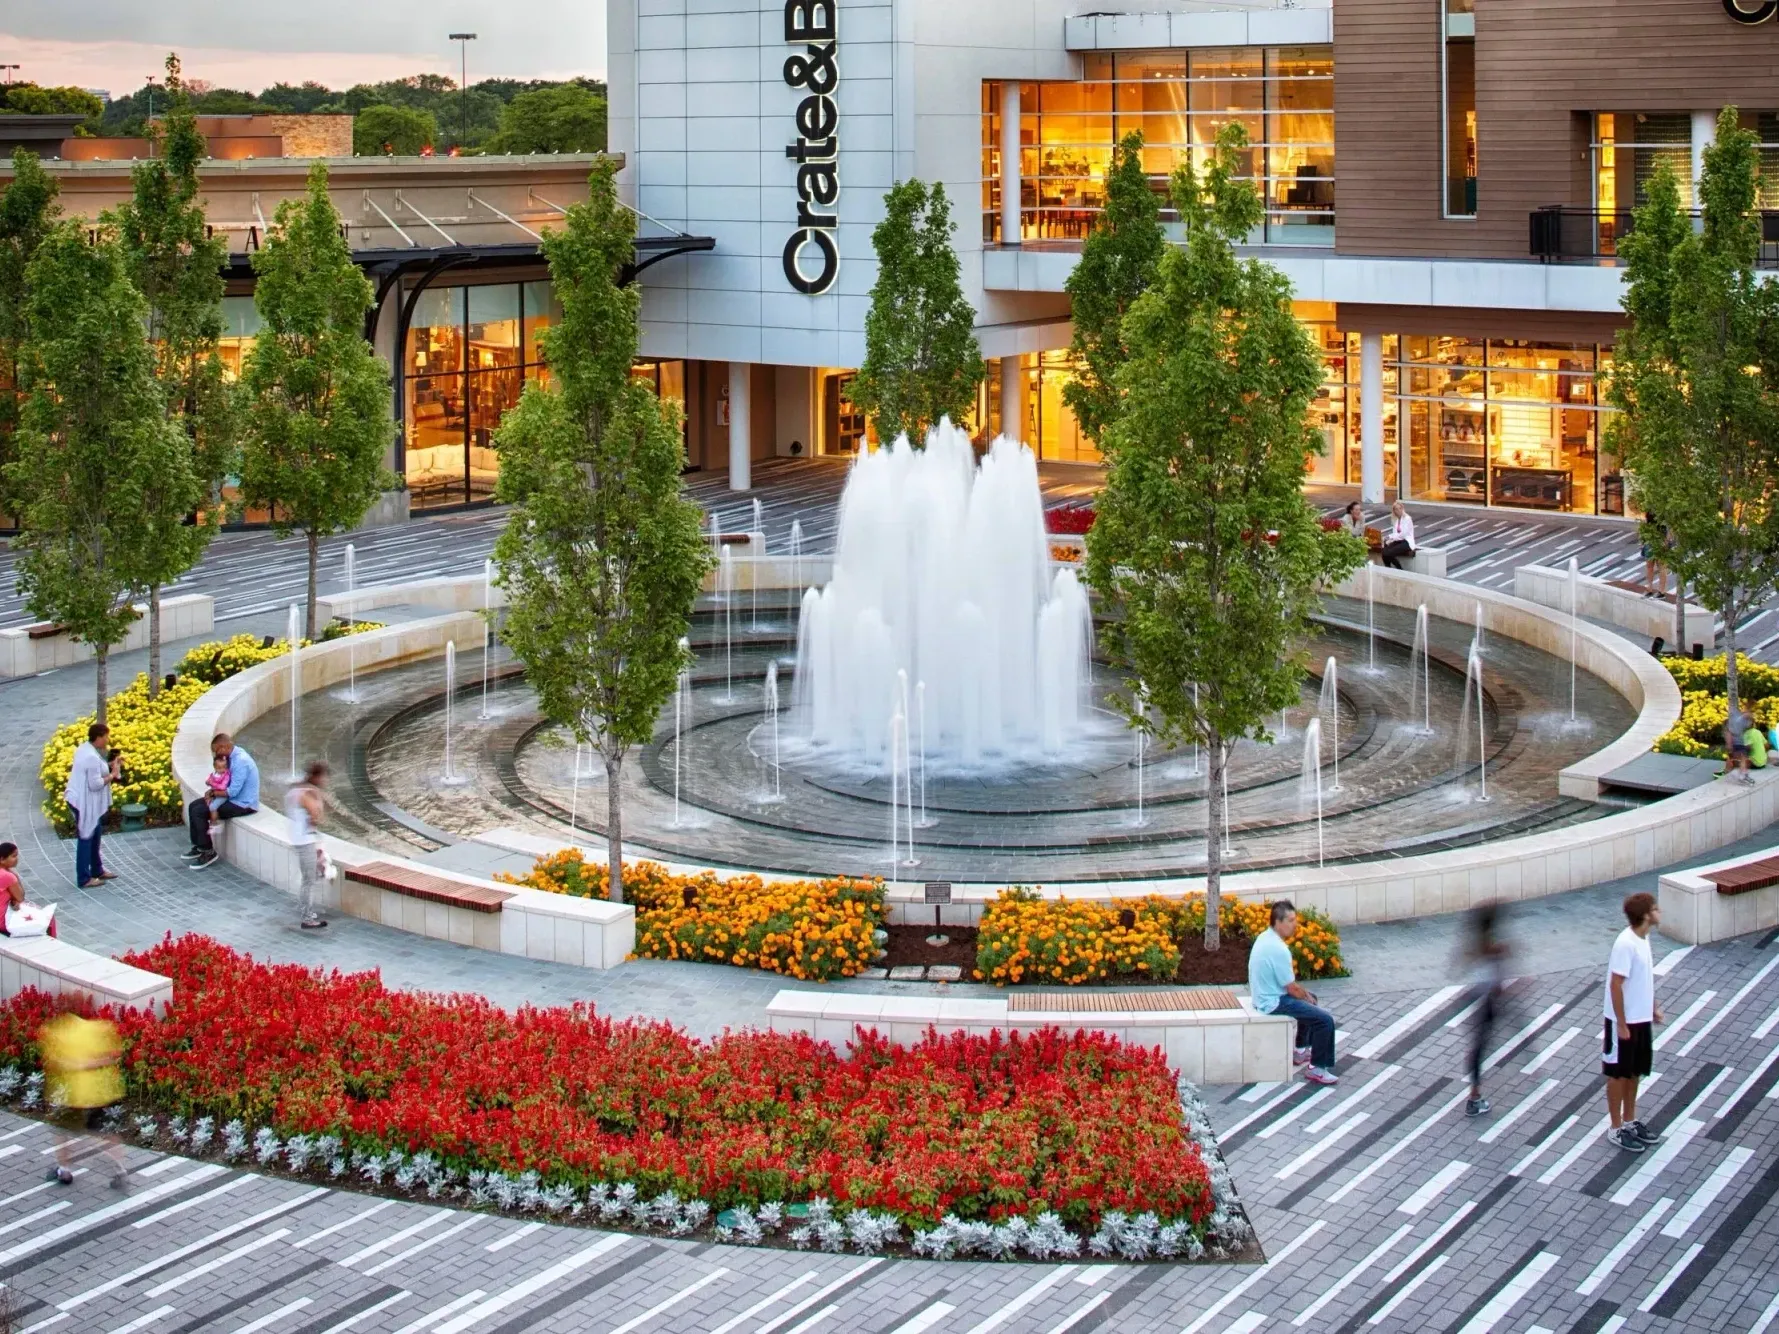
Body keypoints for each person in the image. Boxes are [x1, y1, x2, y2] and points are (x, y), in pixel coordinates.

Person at [1248, 900, 1339, 1086]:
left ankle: (1300, 1051)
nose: (1294, 924)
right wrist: (1307, 998)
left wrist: (1306, 997)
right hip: (1272, 1002)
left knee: (1309, 1002)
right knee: (1325, 1020)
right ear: (1278, 922)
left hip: (1262, 997)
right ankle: (1318, 1068)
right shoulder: (1279, 949)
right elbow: (1292, 989)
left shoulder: (1264, 938)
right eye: (1290, 920)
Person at [1603, 892, 1665, 1153]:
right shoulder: (1625, 944)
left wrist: (1652, 1008)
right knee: (1618, 1073)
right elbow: (1615, 984)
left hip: (1640, 1019)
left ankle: (1630, 1120)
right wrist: (1621, 1023)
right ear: (1645, 915)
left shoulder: (1643, 937)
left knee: (1635, 1071)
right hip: (1624, 1022)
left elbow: (1642, 979)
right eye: (1655, 908)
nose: (1659, 911)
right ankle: (1615, 1128)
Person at [40, 1008, 127, 1189]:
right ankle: (120, 1169)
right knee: (105, 1133)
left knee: (60, 1130)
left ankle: (64, 1171)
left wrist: (77, 1065)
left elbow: (55, 1062)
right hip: (103, 1093)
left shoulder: (62, 1031)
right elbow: (113, 1056)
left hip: (76, 1095)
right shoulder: (101, 1029)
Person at [184, 733, 258, 870]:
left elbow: (232, 792)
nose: (215, 755)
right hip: (230, 798)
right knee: (193, 805)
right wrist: (213, 791)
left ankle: (208, 851)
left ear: (223, 747)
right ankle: (199, 846)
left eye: (216, 751)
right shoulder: (232, 757)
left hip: (243, 804)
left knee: (199, 811)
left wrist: (213, 793)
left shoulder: (241, 761)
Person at [1464, 903, 1510, 1117]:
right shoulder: (1491, 946)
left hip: (1479, 998)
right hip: (1486, 1001)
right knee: (1480, 1046)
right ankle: (1474, 1097)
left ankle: (1475, 1092)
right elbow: (1496, 980)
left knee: (1478, 1046)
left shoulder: (1480, 942)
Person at [62, 723, 119, 889]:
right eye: (106, 736)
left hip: (77, 798)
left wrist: (109, 765)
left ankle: (97, 869)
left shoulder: (84, 749)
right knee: (86, 836)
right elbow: (95, 784)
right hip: (83, 802)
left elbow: (93, 770)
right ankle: (84, 877)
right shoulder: (91, 756)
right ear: (99, 737)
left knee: (96, 833)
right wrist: (113, 775)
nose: (108, 740)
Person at [285, 761, 330, 930]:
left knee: (311, 876)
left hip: (301, 839)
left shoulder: (296, 790)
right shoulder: (306, 794)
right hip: (305, 842)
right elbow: (316, 816)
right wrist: (318, 799)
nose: (325, 781)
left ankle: (306, 909)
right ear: (316, 777)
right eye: (323, 777)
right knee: (309, 880)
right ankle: (307, 917)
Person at [0, 843, 57, 939]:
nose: (17, 859)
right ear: (2, 859)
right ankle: (52, 944)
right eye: (13, 856)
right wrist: (15, 876)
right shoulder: (7, 875)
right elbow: (20, 897)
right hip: (3, 920)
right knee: (49, 918)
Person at [1380, 500, 1416, 570]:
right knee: (1384, 553)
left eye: (1400, 508)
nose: (1398, 510)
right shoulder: (1396, 520)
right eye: (1396, 509)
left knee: (1389, 553)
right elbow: (1395, 533)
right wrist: (1389, 540)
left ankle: (1399, 569)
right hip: (1398, 541)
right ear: (1394, 511)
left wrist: (1389, 537)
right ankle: (1388, 569)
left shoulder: (1407, 518)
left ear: (1402, 509)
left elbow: (1403, 534)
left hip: (1406, 542)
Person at [203, 752, 232, 839]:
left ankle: (214, 824)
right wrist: (208, 782)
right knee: (206, 800)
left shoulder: (226, 775)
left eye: (224, 767)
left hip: (222, 795)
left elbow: (223, 786)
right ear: (215, 767)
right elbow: (208, 780)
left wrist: (212, 784)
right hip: (215, 793)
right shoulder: (214, 774)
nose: (222, 770)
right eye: (219, 768)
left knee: (213, 807)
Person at [1641, 512, 1668, 600]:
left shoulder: (1660, 514)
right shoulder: (1651, 514)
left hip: (1657, 542)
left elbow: (1665, 530)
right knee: (1652, 567)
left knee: (1660, 567)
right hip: (1651, 542)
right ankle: (1651, 589)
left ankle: (1660, 591)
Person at [1725, 709, 1755, 786]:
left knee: (1742, 758)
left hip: (1740, 742)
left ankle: (1741, 774)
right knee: (1741, 758)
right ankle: (1741, 775)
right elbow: (1729, 732)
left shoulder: (1742, 720)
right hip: (1736, 742)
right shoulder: (1738, 719)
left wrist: (1749, 717)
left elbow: (1749, 725)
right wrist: (1729, 744)